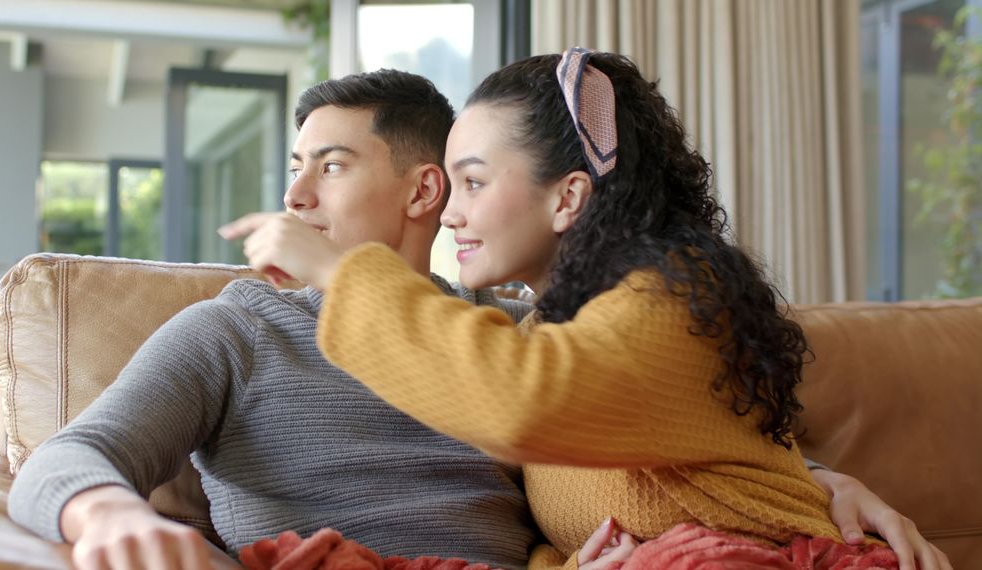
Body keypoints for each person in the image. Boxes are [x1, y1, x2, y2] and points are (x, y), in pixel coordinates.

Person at [231, 50, 952, 570]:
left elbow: (523, 400)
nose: (450, 212)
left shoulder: (671, 294)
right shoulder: (547, 329)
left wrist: (341, 271)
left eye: (473, 182)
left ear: (567, 197)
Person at [8, 69, 538, 570]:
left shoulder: (516, 334)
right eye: (295, 169)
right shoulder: (238, 331)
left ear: (422, 191)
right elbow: (65, 457)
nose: (294, 196)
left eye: (331, 167)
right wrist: (110, 514)